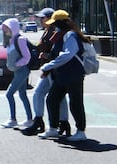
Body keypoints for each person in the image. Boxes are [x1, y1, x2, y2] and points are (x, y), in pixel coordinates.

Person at [38, 10, 90, 142]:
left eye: (55, 23)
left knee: (75, 103)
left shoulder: (70, 35)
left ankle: (80, 131)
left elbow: (67, 54)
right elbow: (59, 54)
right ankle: (53, 129)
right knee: (52, 99)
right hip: (63, 74)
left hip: (73, 74)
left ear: (60, 23)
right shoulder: (64, 34)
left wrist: (48, 66)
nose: (53, 26)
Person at [22, 8, 68, 136]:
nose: (40, 20)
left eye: (42, 18)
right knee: (43, 94)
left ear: (50, 18)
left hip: (53, 69)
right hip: (48, 69)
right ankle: (43, 121)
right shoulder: (48, 31)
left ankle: (60, 122)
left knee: (56, 97)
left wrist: (47, 56)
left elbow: (57, 52)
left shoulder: (55, 31)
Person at [1, 18, 34, 129]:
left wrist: (17, 64)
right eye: (4, 27)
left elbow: (27, 56)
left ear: (13, 27)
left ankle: (13, 119)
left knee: (9, 94)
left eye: (7, 27)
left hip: (22, 71)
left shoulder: (20, 39)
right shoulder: (10, 40)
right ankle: (29, 119)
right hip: (18, 71)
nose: (5, 30)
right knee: (22, 94)